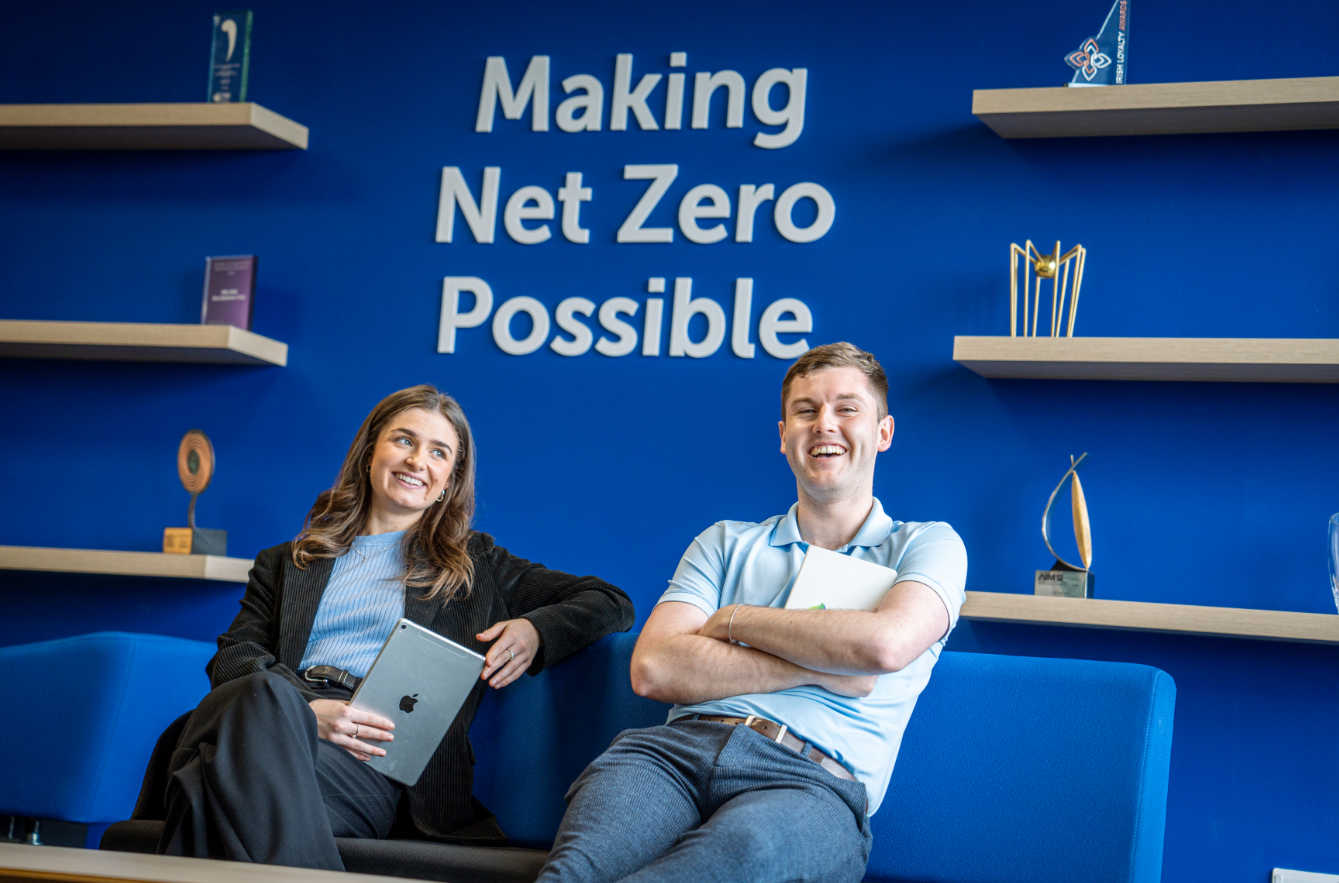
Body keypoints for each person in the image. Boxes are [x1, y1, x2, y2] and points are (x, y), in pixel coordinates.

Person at [535, 343, 968, 883]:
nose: (824, 424)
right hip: (670, 756)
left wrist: (732, 621)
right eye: (806, 411)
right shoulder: (723, 542)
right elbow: (654, 669)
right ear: (784, 435)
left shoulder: (929, 545)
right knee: (573, 874)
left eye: (847, 409)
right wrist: (822, 666)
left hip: (809, 782)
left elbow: (883, 646)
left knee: (726, 865)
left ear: (883, 432)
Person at [156, 385, 635, 869]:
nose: (417, 461)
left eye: (438, 452)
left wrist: (535, 630)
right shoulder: (286, 562)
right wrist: (307, 712)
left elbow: (610, 601)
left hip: (373, 757)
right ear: (370, 453)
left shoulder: (476, 564)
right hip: (278, 719)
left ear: (449, 480)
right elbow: (234, 657)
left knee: (204, 780)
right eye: (403, 441)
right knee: (259, 699)